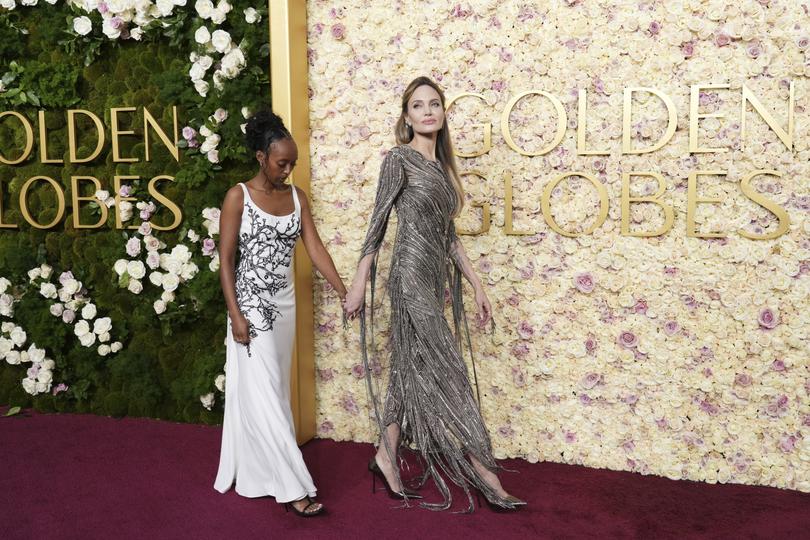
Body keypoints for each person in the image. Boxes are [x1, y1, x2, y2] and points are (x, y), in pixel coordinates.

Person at [343, 76, 526, 512]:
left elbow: (450, 238)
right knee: (450, 368)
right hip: (407, 277)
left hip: (433, 277)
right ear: (406, 117)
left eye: (435, 104)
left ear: (443, 113)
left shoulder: (444, 170)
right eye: (418, 105)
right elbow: (378, 222)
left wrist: (477, 285)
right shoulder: (398, 160)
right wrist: (358, 280)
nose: (428, 111)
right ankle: (486, 472)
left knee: (408, 369)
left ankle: (386, 454)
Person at [214, 110, 346, 517]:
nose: (288, 170)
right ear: (260, 157)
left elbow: (316, 248)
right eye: (280, 163)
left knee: (274, 395)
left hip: (284, 307)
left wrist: (343, 290)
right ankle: (293, 488)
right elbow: (225, 261)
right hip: (250, 309)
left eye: (293, 163)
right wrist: (236, 315)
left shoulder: (296, 198)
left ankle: (262, 473)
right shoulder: (238, 196)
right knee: (268, 395)